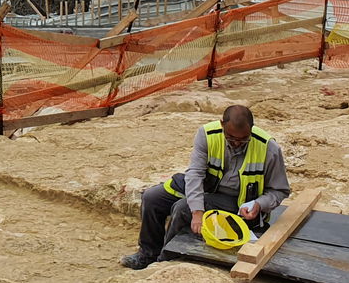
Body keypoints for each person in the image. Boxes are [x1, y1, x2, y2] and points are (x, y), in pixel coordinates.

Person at [120, 104, 290, 270]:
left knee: (183, 208)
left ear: (251, 129)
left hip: (236, 201)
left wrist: (259, 204)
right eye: (231, 138)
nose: (237, 143)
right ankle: (147, 254)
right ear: (222, 125)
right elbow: (195, 173)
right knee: (152, 197)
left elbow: (279, 190)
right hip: (208, 187)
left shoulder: (268, 148)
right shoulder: (207, 134)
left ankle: (165, 260)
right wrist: (198, 212)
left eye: (243, 139)